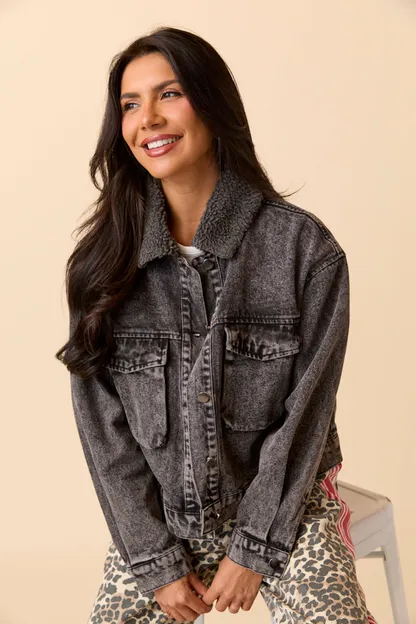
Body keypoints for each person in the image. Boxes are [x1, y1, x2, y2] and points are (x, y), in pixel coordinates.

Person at [56, 25, 378, 624]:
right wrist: (155, 561)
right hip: (164, 520)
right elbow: (105, 434)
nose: (148, 119)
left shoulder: (305, 252)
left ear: (212, 103)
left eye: (169, 94)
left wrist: (254, 547)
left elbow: (306, 417)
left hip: (289, 510)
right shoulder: (101, 266)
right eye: (130, 104)